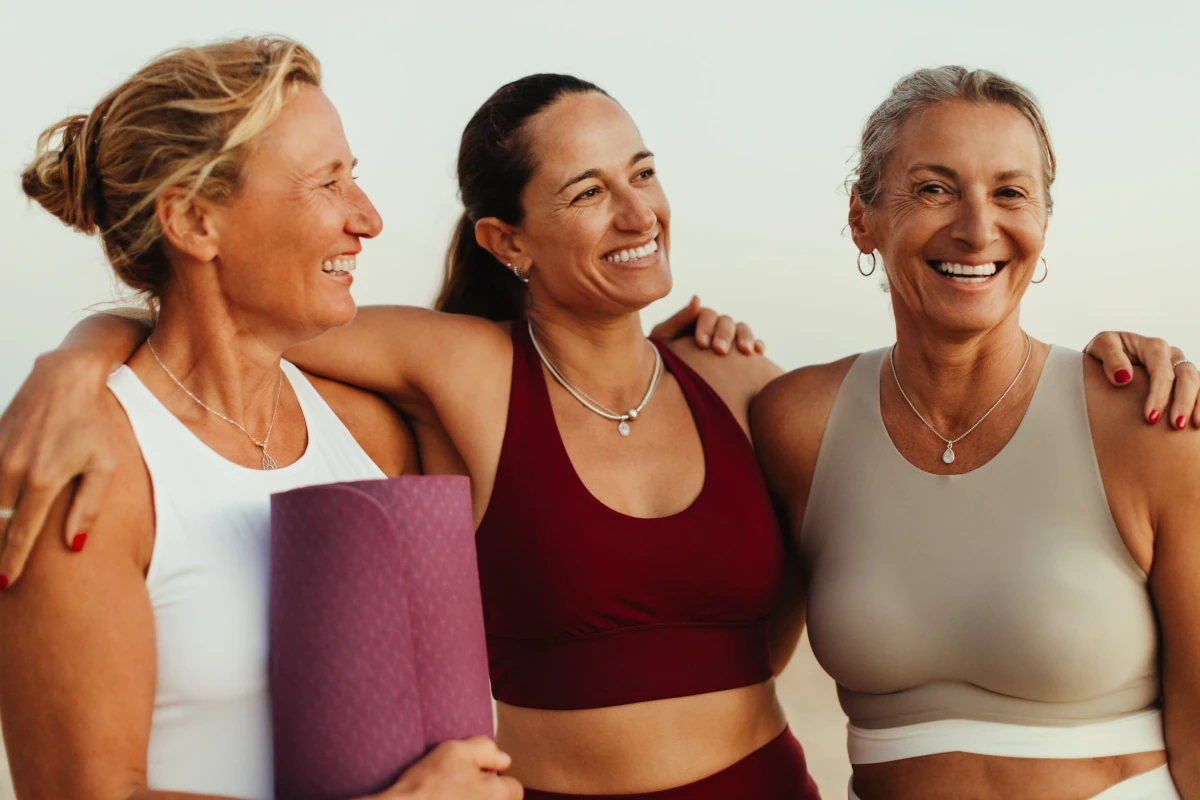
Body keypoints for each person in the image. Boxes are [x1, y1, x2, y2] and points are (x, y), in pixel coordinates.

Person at [0, 65, 1191, 798]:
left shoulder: (747, 391)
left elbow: (899, 537)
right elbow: (232, 316)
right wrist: (77, 358)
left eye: (643, 172)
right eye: (585, 192)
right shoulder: (461, 369)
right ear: (505, 242)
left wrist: (1128, 373)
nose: (637, 211)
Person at [0, 36, 525, 800]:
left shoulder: (373, 433)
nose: (368, 218)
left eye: (357, 178)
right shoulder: (92, 469)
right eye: (326, 184)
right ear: (194, 222)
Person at [752, 66, 1200, 800]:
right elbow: (723, 662)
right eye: (933, 188)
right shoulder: (795, 423)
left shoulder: (1148, 424)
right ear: (861, 217)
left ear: (1044, 223)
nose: (977, 227)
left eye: (1011, 193)